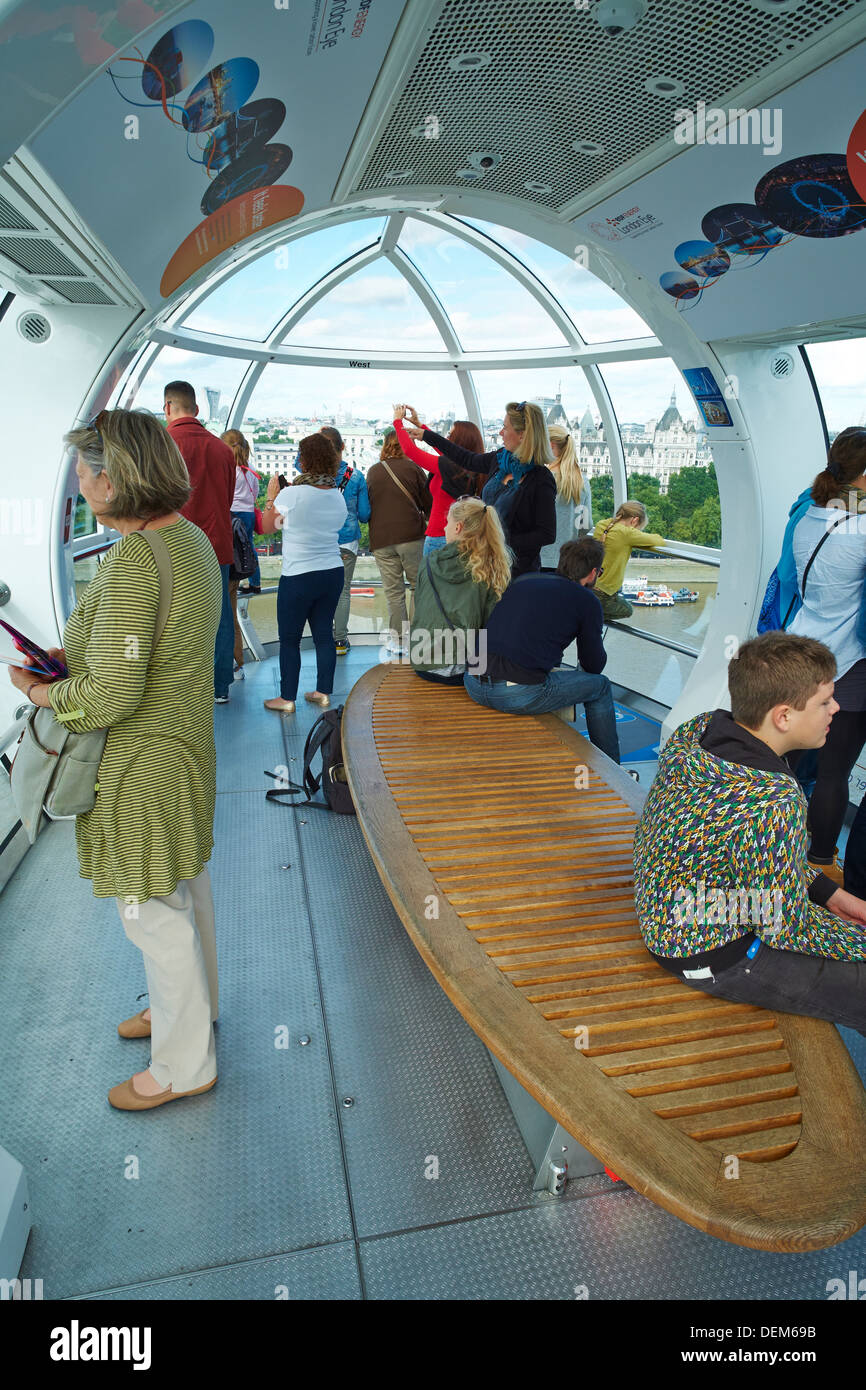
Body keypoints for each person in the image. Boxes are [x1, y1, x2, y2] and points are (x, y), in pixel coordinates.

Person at [8, 409, 222, 1109]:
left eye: (83, 471)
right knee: (183, 885)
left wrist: (44, 691)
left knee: (150, 910)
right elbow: (150, 647)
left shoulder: (132, 561)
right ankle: (191, 1011)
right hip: (184, 743)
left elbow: (116, 694)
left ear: (112, 477)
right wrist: (85, 658)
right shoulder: (186, 540)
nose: (79, 483)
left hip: (142, 761)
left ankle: (184, 1067)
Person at [633, 632, 866, 1036]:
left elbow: (743, 850)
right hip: (708, 950)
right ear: (784, 717)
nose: (837, 708)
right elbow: (784, 926)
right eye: (825, 701)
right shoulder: (774, 800)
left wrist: (828, 893)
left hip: (668, 906)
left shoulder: (699, 733)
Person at [787, 427, 866, 880]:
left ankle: (779, 848)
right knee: (835, 772)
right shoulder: (860, 528)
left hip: (805, 648)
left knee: (791, 759)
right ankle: (820, 864)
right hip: (850, 662)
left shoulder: (811, 515)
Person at [463, 537, 620, 762]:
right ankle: (613, 768)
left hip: (473, 680)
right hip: (513, 693)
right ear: (594, 572)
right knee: (601, 686)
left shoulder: (524, 580)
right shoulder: (587, 600)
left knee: (540, 666)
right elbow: (594, 665)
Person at [409, 401, 556, 579]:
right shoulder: (500, 460)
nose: (501, 432)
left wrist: (496, 540)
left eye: (505, 427)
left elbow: (546, 534)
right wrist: (427, 435)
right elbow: (466, 458)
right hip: (486, 566)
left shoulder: (541, 479)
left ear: (522, 435)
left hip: (517, 572)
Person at [257, 433, 347, 713]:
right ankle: (323, 692)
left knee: (290, 639)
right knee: (323, 634)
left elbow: (267, 526)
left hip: (299, 575)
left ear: (304, 460)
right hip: (332, 572)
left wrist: (272, 499)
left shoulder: (291, 494)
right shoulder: (337, 496)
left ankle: (286, 698)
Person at [164, 381, 235, 704]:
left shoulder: (162, 445)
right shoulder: (223, 450)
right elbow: (228, 498)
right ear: (196, 408)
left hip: (172, 548)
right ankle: (220, 686)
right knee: (219, 617)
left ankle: (182, 688)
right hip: (216, 544)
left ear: (168, 407)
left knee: (173, 619)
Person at [409, 497, 510, 684]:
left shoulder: (430, 562)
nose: (445, 528)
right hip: (468, 669)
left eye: (448, 523)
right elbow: (493, 624)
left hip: (424, 662)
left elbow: (420, 609)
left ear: (458, 528)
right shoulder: (491, 567)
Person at [366, 427, 432, 652]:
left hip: (381, 540)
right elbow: (428, 503)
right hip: (411, 536)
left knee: (393, 592)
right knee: (417, 587)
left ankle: (398, 640)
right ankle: (417, 638)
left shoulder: (373, 471)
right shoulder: (414, 468)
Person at [391, 405, 485, 555]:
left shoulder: (448, 466)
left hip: (439, 538)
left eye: (450, 435)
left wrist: (397, 422)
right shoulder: (470, 468)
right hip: (461, 537)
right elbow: (443, 447)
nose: (446, 439)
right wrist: (419, 425)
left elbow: (410, 451)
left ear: (460, 441)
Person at [320, 425, 370, 657]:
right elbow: (364, 514)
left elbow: (299, 461)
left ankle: (322, 639)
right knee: (343, 592)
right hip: (347, 541)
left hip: (320, 541)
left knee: (321, 591)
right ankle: (340, 640)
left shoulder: (313, 476)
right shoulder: (356, 477)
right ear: (343, 446)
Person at [592, 501, 667, 620]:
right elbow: (659, 541)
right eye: (639, 528)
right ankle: (590, 615)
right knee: (627, 610)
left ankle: (588, 614)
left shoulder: (602, 524)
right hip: (603, 594)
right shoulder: (627, 533)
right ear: (635, 520)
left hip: (588, 585)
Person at [539, 423, 593, 569]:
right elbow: (586, 526)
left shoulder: (540, 480)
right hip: (566, 563)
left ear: (550, 446)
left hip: (538, 560)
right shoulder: (582, 482)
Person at [222, 427, 262, 597]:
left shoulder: (229, 470)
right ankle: (255, 582)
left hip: (234, 513)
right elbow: (256, 490)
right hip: (249, 513)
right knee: (249, 546)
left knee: (234, 548)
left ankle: (234, 578)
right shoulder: (250, 469)